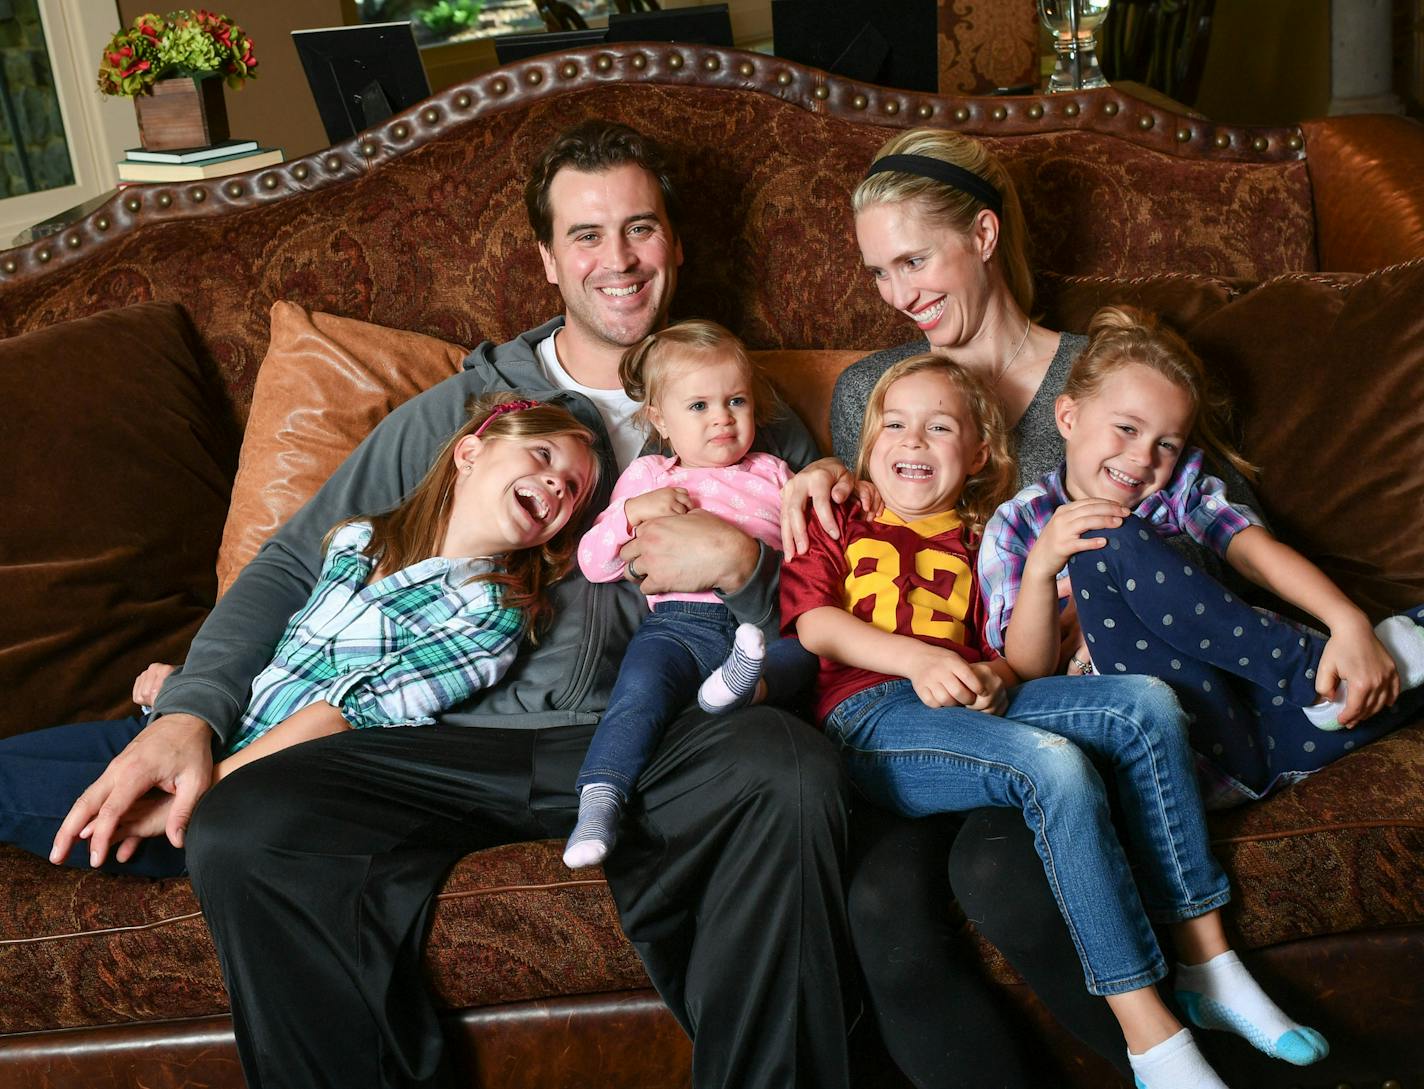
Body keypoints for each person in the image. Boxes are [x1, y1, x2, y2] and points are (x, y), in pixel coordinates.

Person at [49, 121, 855, 1089]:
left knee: (793, 773)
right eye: (587, 236)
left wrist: (740, 566)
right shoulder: (468, 410)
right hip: (438, 745)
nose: (619, 261)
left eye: (639, 230)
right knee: (245, 826)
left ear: (674, 245)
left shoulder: (740, 407)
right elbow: (287, 567)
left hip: (650, 737)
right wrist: (192, 708)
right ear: (547, 260)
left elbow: (816, 631)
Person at [778, 128, 1256, 1085]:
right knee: (880, 909)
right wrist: (818, 471)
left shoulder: (1101, 379)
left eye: (914, 259)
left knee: (998, 871)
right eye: (878, 271)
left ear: (985, 235)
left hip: (1043, 697)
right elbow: (874, 522)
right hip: (917, 708)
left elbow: (1200, 515)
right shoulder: (873, 387)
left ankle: (1192, 1059)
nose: (898, 292)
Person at [783, 354, 1327, 1089]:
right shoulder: (841, 514)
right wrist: (915, 660)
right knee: (1051, 763)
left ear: (979, 453)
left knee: (1142, 703)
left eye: (939, 426)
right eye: (896, 424)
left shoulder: (985, 535)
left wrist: (1006, 644)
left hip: (971, 703)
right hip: (871, 717)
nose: (913, 441)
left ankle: (1208, 962)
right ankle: (1152, 1040)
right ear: (866, 441)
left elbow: (1019, 663)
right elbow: (814, 624)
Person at [2, 394, 599, 878]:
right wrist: (187, 697)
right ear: (470, 452)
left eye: (572, 490)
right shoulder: (360, 540)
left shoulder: (490, 616)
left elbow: (344, 715)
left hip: (233, 793)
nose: (555, 487)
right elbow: (286, 656)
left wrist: (187, 802)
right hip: (182, 742)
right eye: (543, 457)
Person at [981, 304, 1424, 805]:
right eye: (1127, 428)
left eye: (1166, 443)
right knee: (1101, 538)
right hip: (1158, 741)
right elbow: (1030, 669)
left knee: (1394, 667)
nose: (1144, 457)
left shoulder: (1178, 491)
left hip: (1253, 736)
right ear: (1068, 415)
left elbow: (1256, 554)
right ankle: (1309, 674)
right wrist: (1043, 566)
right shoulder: (1017, 523)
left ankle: (1331, 672)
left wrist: (1349, 623)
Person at [563, 319, 816, 868]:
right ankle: (600, 801)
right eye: (698, 406)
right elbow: (595, 561)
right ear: (660, 418)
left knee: (812, 652)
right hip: (678, 626)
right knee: (638, 694)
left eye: (736, 400)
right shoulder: (651, 476)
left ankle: (742, 686)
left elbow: (808, 558)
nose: (722, 417)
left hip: (760, 625)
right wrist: (631, 513)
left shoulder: (776, 473)